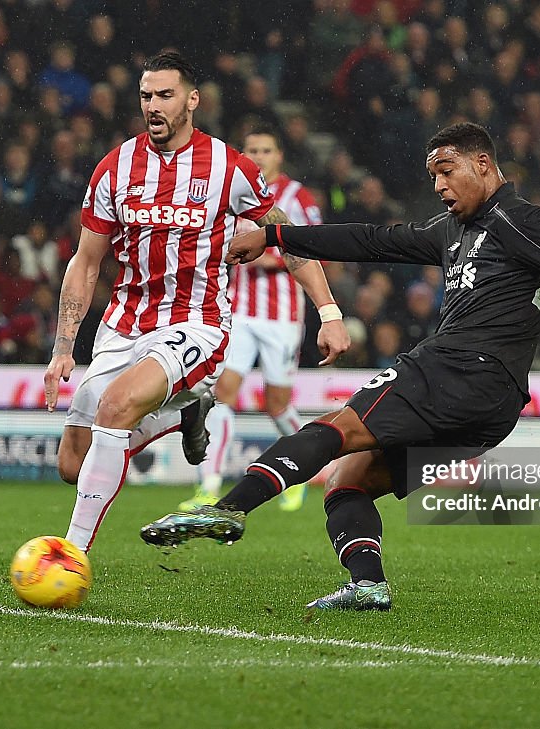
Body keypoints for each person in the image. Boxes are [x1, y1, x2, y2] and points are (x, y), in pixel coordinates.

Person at [141, 122, 540, 610]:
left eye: (448, 171)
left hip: (461, 367)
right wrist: (273, 234)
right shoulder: (454, 230)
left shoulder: (519, 220)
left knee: (338, 429)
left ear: (484, 164)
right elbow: (372, 240)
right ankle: (367, 586)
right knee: (349, 480)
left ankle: (227, 511)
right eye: (433, 176)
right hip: (491, 408)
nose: (439, 186)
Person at [44, 52, 347, 553]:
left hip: (197, 323)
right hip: (123, 324)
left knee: (117, 406)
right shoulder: (115, 168)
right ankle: (182, 412)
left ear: (192, 100)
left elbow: (289, 239)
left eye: (165, 95)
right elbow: (85, 262)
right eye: (146, 96)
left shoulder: (231, 167)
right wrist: (62, 347)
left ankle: (68, 556)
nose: (154, 106)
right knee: (72, 465)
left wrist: (329, 312)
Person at [180, 127, 349, 513]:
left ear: (279, 156)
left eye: (266, 150)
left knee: (276, 404)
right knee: (221, 395)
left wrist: (258, 252)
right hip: (238, 311)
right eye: (251, 149)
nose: (258, 156)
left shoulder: (297, 197)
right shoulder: (233, 193)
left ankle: (298, 474)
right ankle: (209, 485)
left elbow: (308, 247)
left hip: (282, 316)